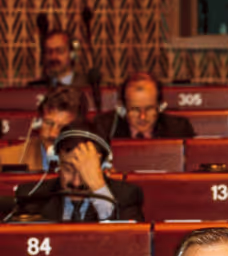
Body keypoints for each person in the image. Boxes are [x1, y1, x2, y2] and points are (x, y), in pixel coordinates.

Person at [13, 121, 144, 221]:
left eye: (85, 172)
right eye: (68, 169)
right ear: (57, 162)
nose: (76, 183)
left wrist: (98, 187)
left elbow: (129, 244)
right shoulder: (32, 197)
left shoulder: (127, 197)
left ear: (103, 168)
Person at [0, 87, 87, 171]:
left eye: (62, 127)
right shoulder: (6, 158)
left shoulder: (92, 161)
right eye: (48, 123)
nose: (53, 134)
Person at [93, 72, 195, 140]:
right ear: (122, 110)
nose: (142, 117)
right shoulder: (104, 130)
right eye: (135, 110)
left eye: (149, 109)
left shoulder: (178, 130)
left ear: (160, 107)